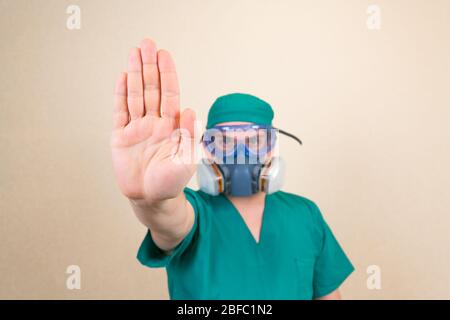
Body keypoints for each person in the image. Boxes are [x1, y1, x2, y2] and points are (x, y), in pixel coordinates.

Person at [111, 38, 354, 300]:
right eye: (224, 142)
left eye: (254, 140)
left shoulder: (305, 214)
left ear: (272, 147)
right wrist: (150, 200)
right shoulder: (196, 212)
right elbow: (168, 219)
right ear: (207, 148)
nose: (241, 154)